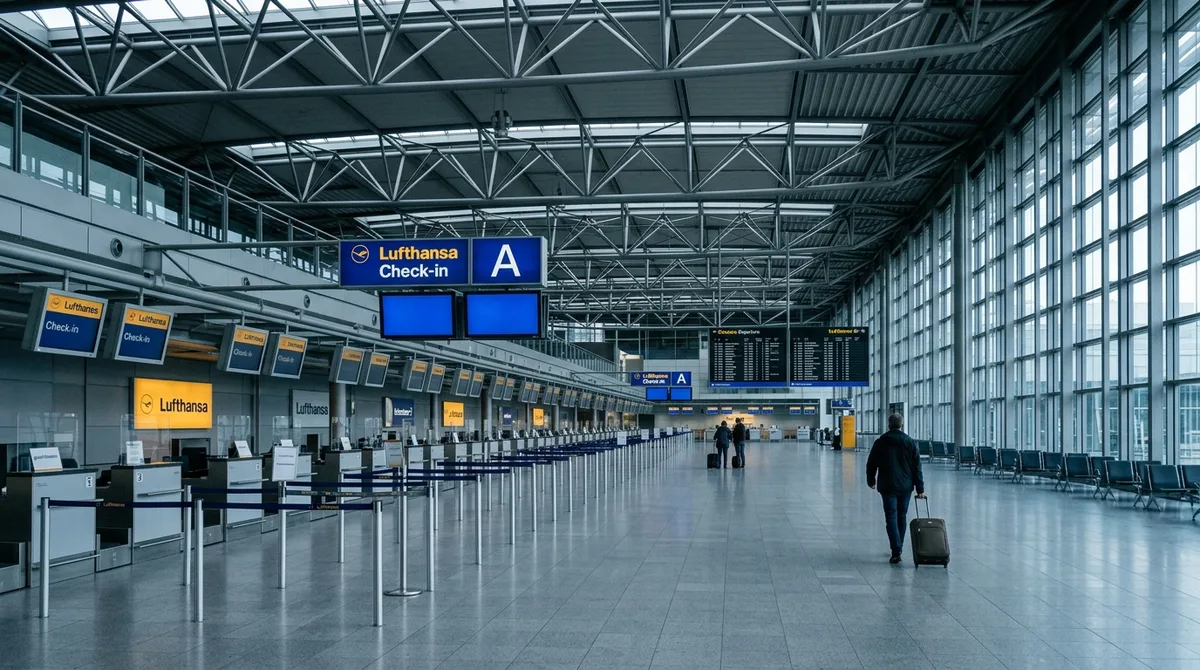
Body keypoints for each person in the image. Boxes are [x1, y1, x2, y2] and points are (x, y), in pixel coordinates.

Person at [866, 413, 926, 564]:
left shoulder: (881, 442)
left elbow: (871, 463)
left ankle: (896, 550)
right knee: (902, 516)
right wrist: (920, 488)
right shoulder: (910, 442)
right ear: (902, 425)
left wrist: (871, 480)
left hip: (887, 485)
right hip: (906, 486)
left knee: (890, 516)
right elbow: (917, 467)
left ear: (888, 424)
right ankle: (899, 546)